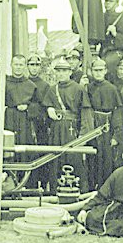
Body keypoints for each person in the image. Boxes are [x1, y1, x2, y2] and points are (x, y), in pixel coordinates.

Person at [43, 57, 94, 193]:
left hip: (72, 129)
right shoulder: (52, 90)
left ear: (70, 72)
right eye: (59, 71)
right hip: (56, 130)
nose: (61, 74)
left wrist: (83, 135)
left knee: (74, 158)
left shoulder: (78, 89)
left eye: (64, 71)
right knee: (55, 159)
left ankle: (78, 191)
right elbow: (46, 108)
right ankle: (55, 191)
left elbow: (85, 113)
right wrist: (49, 109)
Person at [81, 57, 123, 188]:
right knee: (91, 158)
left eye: (100, 70)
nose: (98, 73)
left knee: (106, 160)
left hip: (106, 127)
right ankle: (91, 188)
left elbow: (117, 113)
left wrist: (116, 135)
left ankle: (105, 189)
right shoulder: (88, 88)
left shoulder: (112, 89)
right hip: (92, 125)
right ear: (91, 71)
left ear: (105, 71)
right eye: (95, 70)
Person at [0, 55, 37, 151]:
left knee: (24, 146)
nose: (18, 67)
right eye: (16, 64)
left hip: (25, 120)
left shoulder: (31, 85)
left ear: (25, 66)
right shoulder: (4, 83)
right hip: (8, 119)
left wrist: (28, 107)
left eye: (21, 65)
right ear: (11, 65)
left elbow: (38, 105)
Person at [26, 54, 51, 189]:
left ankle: (43, 183)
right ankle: (30, 184)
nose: (34, 68)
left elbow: (46, 106)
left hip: (40, 125)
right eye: (31, 65)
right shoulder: (23, 82)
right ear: (27, 66)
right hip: (26, 124)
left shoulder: (45, 86)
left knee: (42, 152)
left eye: (36, 65)